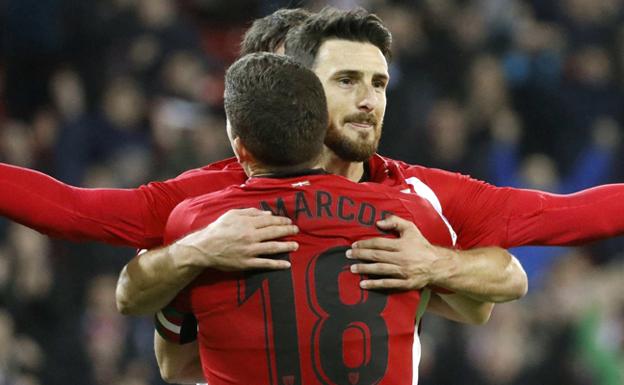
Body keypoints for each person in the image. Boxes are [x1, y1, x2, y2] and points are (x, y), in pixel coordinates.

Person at [154, 51, 497, 385]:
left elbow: (174, 366)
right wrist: (433, 268)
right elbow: (479, 308)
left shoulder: (196, 223)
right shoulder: (407, 214)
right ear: (324, 131)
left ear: (240, 145)